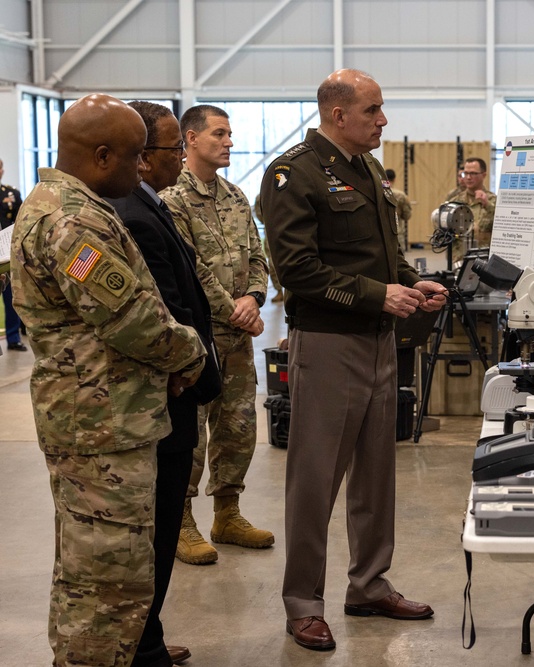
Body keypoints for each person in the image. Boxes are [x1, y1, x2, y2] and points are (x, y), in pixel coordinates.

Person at [10, 94, 207, 667]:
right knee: (108, 585)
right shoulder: (73, 223)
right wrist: (192, 352)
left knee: (89, 571)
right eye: (135, 155)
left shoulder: (63, 205)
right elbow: (134, 320)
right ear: (101, 156)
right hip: (103, 428)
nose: (142, 166)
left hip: (100, 419)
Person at [261, 68, 448, 652]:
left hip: (379, 339)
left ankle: (368, 583)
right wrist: (378, 295)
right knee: (315, 479)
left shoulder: (364, 168)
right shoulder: (293, 173)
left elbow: (380, 254)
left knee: (376, 472)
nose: (383, 119)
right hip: (329, 340)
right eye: (373, 110)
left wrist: (412, 283)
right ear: (338, 114)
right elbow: (295, 271)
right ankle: (302, 604)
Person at [107, 101, 223, 667]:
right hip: (165, 392)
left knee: (157, 527)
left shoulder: (149, 204)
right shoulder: (130, 212)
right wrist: (198, 370)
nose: (178, 157)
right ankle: (140, 646)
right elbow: (166, 311)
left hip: (177, 384)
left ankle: (146, 637)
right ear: (139, 156)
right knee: (151, 532)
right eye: (169, 148)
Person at [160, 104, 271, 566]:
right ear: (190, 139)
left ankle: (228, 513)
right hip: (199, 336)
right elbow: (193, 272)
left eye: (230, 134)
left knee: (238, 426)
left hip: (238, 340)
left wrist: (256, 296)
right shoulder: (171, 200)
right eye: (219, 134)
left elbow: (258, 254)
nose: (229, 142)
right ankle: (181, 521)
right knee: (194, 434)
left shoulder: (235, 195)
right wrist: (235, 311)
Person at [0, 158, 25, 352]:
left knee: (12, 296)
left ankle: (14, 337)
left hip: (6, 252)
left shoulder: (11, 193)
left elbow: (21, 221)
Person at [445, 157, 496, 249]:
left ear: (484, 175)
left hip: (483, 255)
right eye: (466, 173)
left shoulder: (493, 200)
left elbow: (501, 224)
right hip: (459, 258)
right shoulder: (455, 201)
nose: (468, 177)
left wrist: (487, 205)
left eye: (473, 173)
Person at [253, 194, 285, 303]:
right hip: (272, 232)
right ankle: (279, 291)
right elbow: (260, 215)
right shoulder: (261, 197)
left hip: (287, 231)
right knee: (272, 263)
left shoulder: (286, 193)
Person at [385, 168, 412, 250]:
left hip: (381, 232)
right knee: (399, 259)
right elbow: (407, 215)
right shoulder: (401, 195)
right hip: (397, 231)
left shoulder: (377, 192)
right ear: (394, 179)